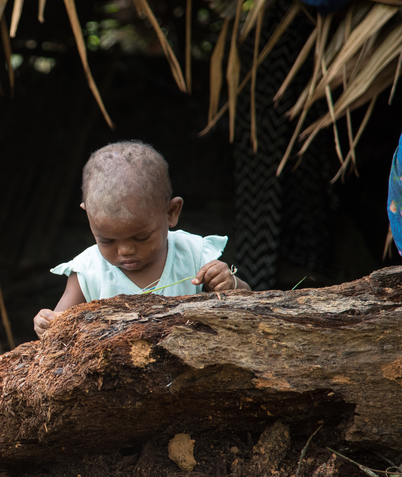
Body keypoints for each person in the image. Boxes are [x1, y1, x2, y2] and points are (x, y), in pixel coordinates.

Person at [34, 141, 250, 338]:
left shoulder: (194, 255)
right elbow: (58, 330)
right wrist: (47, 324)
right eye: (107, 241)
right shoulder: (88, 272)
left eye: (141, 237)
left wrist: (229, 284)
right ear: (89, 216)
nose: (125, 250)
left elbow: (250, 304)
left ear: (171, 212)